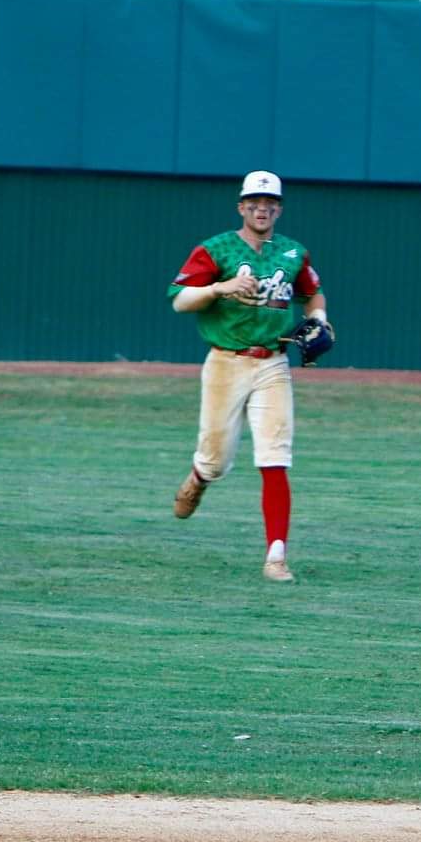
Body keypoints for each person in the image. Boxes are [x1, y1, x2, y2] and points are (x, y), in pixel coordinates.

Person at [165, 171, 327, 583]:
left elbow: (312, 293)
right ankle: (201, 476)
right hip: (226, 361)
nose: (262, 209)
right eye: (254, 202)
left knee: (275, 456)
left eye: (270, 203)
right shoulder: (215, 249)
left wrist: (319, 319)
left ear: (279, 208)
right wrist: (220, 288)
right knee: (217, 459)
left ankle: (276, 556)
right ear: (241, 207)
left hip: (273, 361)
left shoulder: (293, 254)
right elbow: (181, 301)